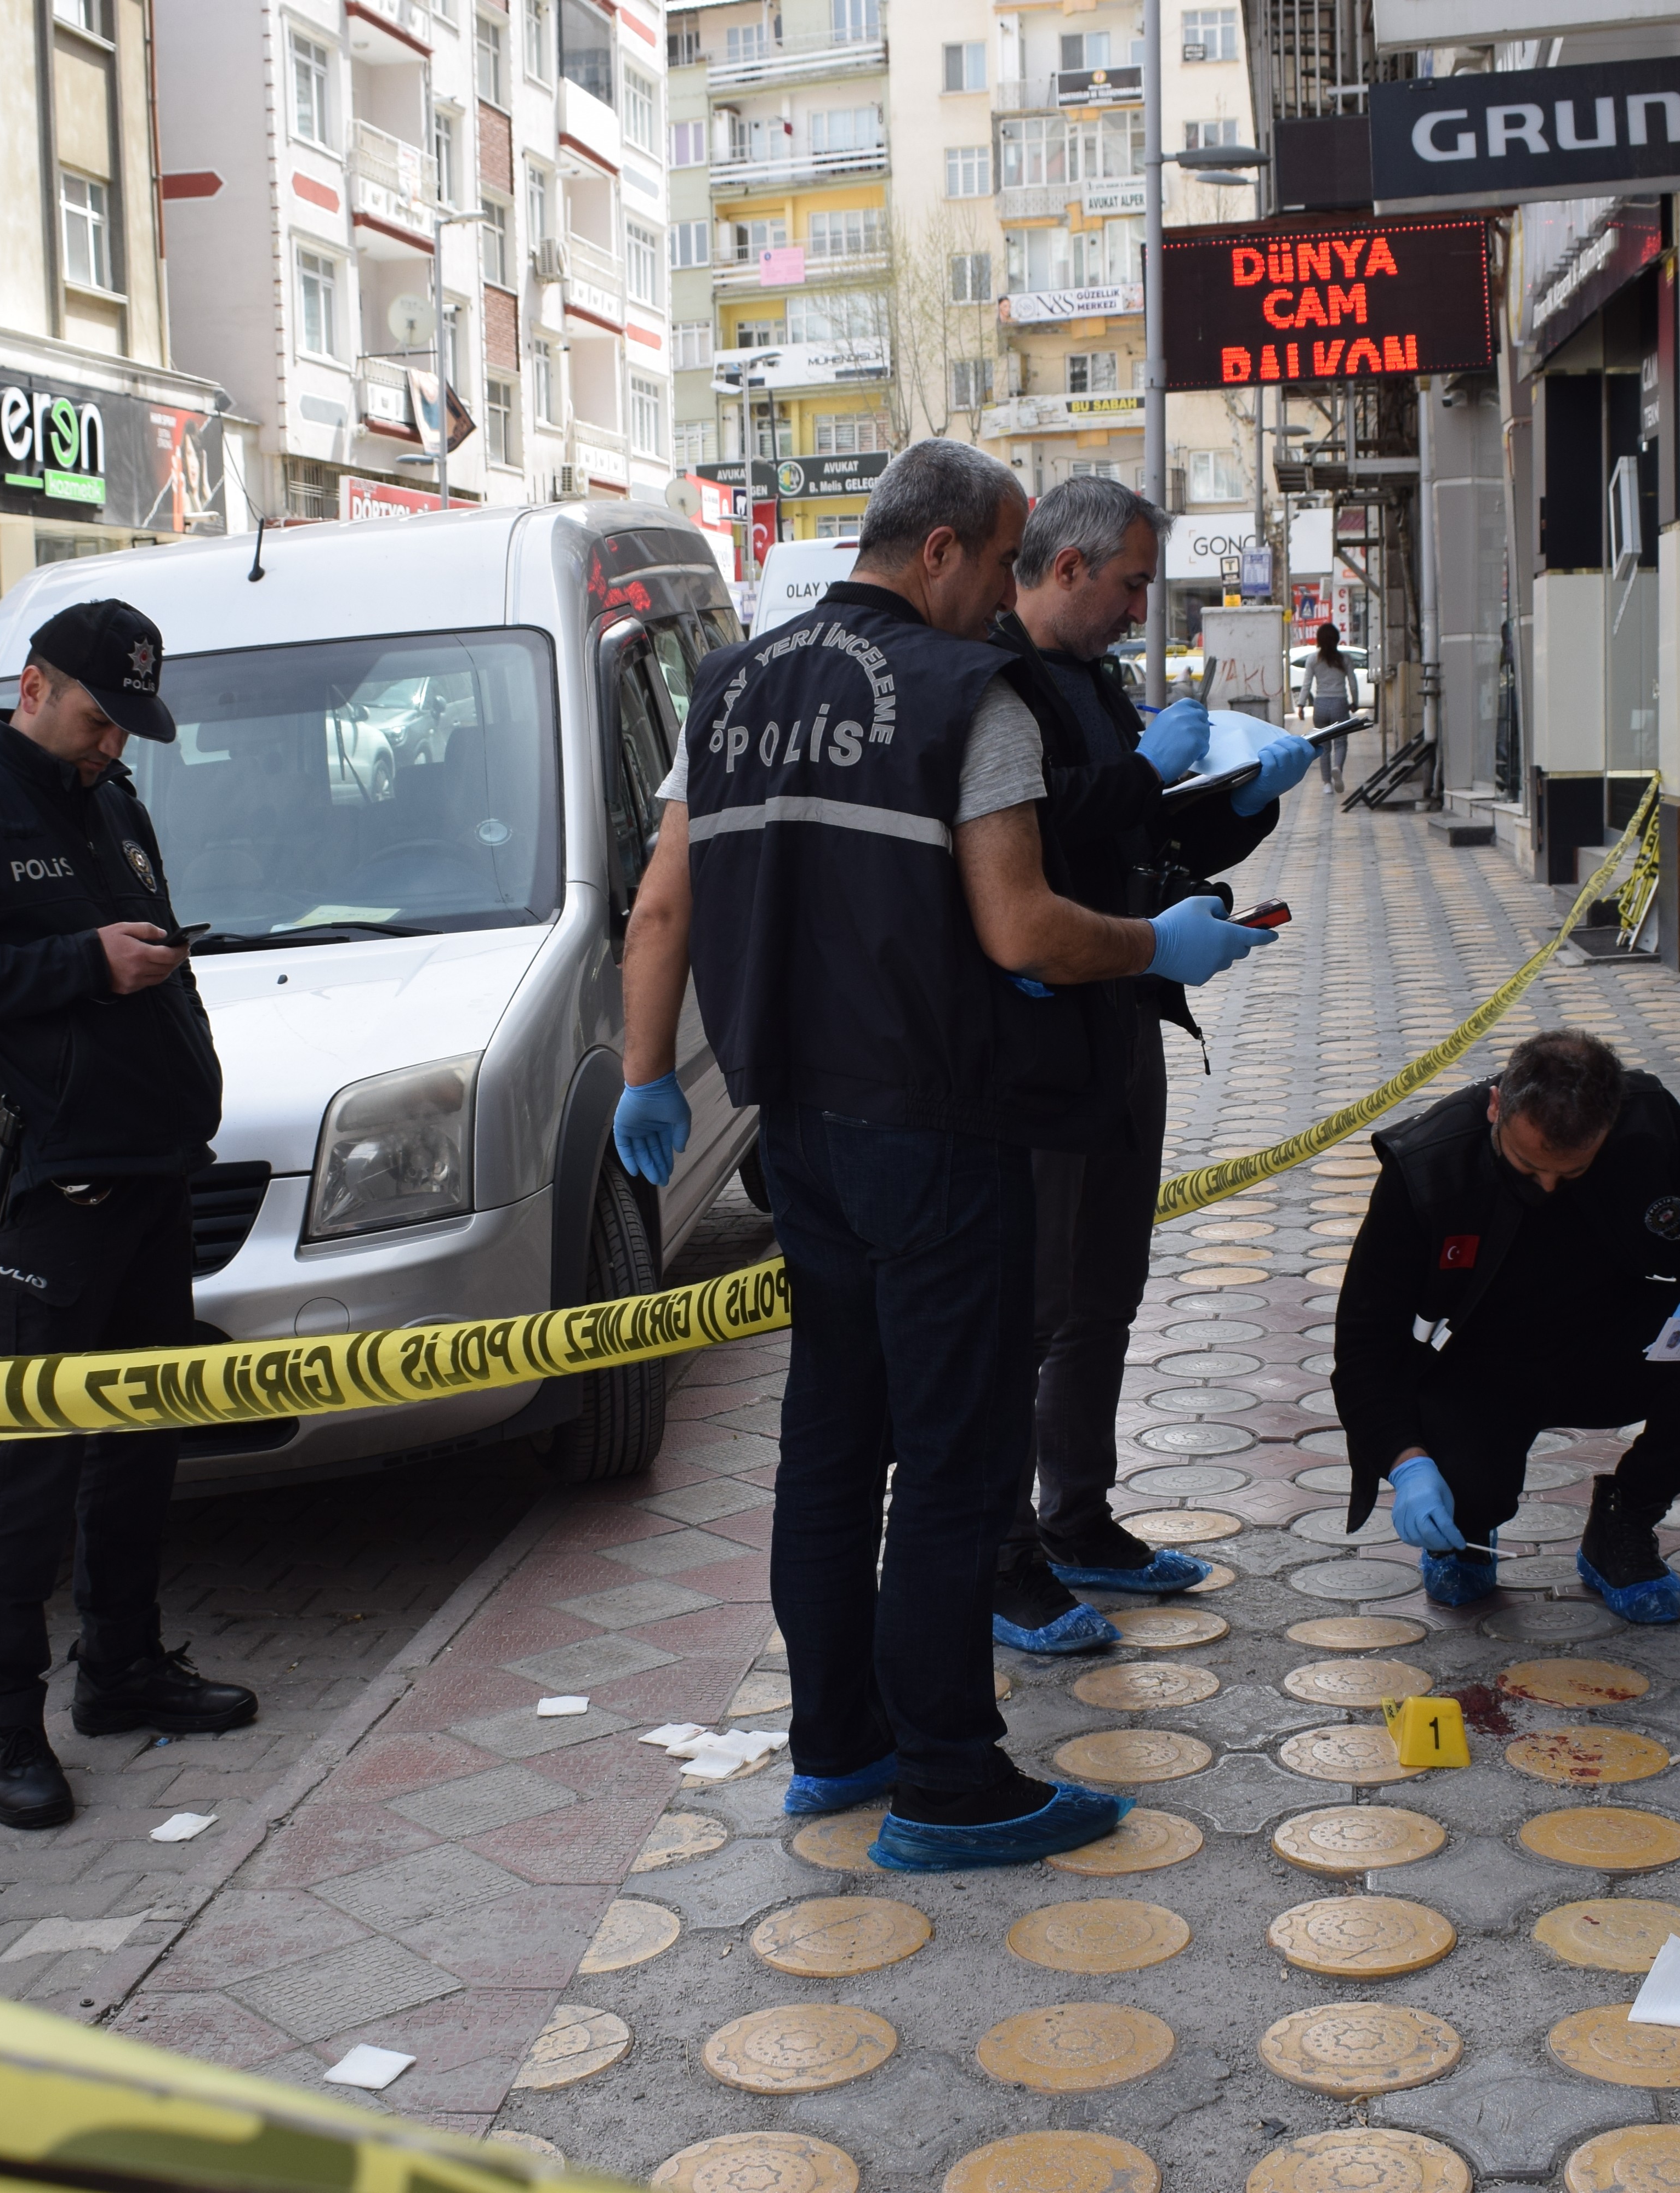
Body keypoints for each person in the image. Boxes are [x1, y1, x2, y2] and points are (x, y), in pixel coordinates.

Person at [608, 439, 1275, 1870]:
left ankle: (834, 1747)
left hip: (797, 1137)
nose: (1004, 594)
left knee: (832, 1450)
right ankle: (950, 1783)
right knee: (960, 1460)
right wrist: (1161, 944)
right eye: (1000, 562)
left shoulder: (724, 692)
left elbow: (660, 913)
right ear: (942, 552)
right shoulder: (973, 693)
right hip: (938, 1127)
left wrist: (649, 1078)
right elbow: (1021, 926)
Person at [0, 599, 257, 1830]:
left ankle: (124, 1665)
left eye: (129, 726)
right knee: (29, 1462)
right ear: (34, 687)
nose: (114, 745)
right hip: (45, 1194)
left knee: (143, 1435)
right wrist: (86, 963)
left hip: (148, 1172)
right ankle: (3, 1717)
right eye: (100, 719)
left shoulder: (115, 803)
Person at [983, 476, 1311, 1654]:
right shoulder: (995, 678)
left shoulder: (1091, 676)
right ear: (1065, 567)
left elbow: (1147, 826)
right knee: (1032, 1304)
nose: (1138, 607)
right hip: (1039, 1032)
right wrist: (1138, 770)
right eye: (1127, 583)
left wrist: (1250, 801)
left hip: (1124, 1007)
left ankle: (1077, 1517)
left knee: (1106, 1288)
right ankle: (1000, 1555)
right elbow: (1036, 834)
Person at [1328, 1030, 1680, 1624]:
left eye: (1570, 1172)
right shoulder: (1427, 1168)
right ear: (1497, 1106)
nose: (1545, 1187)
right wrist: (1405, 1462)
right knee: (1465, 1484)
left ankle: (1625, 1519)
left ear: (1610, 1123)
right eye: (1526, 1166)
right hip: (1479, 1364)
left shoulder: (1652, 1124)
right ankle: (1468, 1530)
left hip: (1615, 1341)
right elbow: (1364, 1349)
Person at [1305, 622, 1358, 792]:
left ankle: (1327, 784)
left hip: (1320, 705)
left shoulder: (1313, 659)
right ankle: (1338, 769)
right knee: (1341, 742)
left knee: (1324, 746)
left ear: (1319, 640)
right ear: (1337, 640)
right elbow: (1353, 683)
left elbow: (1306, 684)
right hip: (1340, 704)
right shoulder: (1345, 659)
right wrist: (1355, 702)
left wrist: (1300, 705)